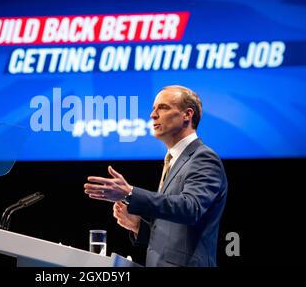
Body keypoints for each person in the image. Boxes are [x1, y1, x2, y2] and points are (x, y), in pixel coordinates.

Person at [84, 85, 227, 267]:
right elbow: (175, 234)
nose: (153, 115)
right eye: (153, 108)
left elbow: (191, 208)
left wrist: (130, 193)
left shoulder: (203, 157)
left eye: (163, 107)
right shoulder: (174, 160)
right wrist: (139, 227)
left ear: (187, 115)